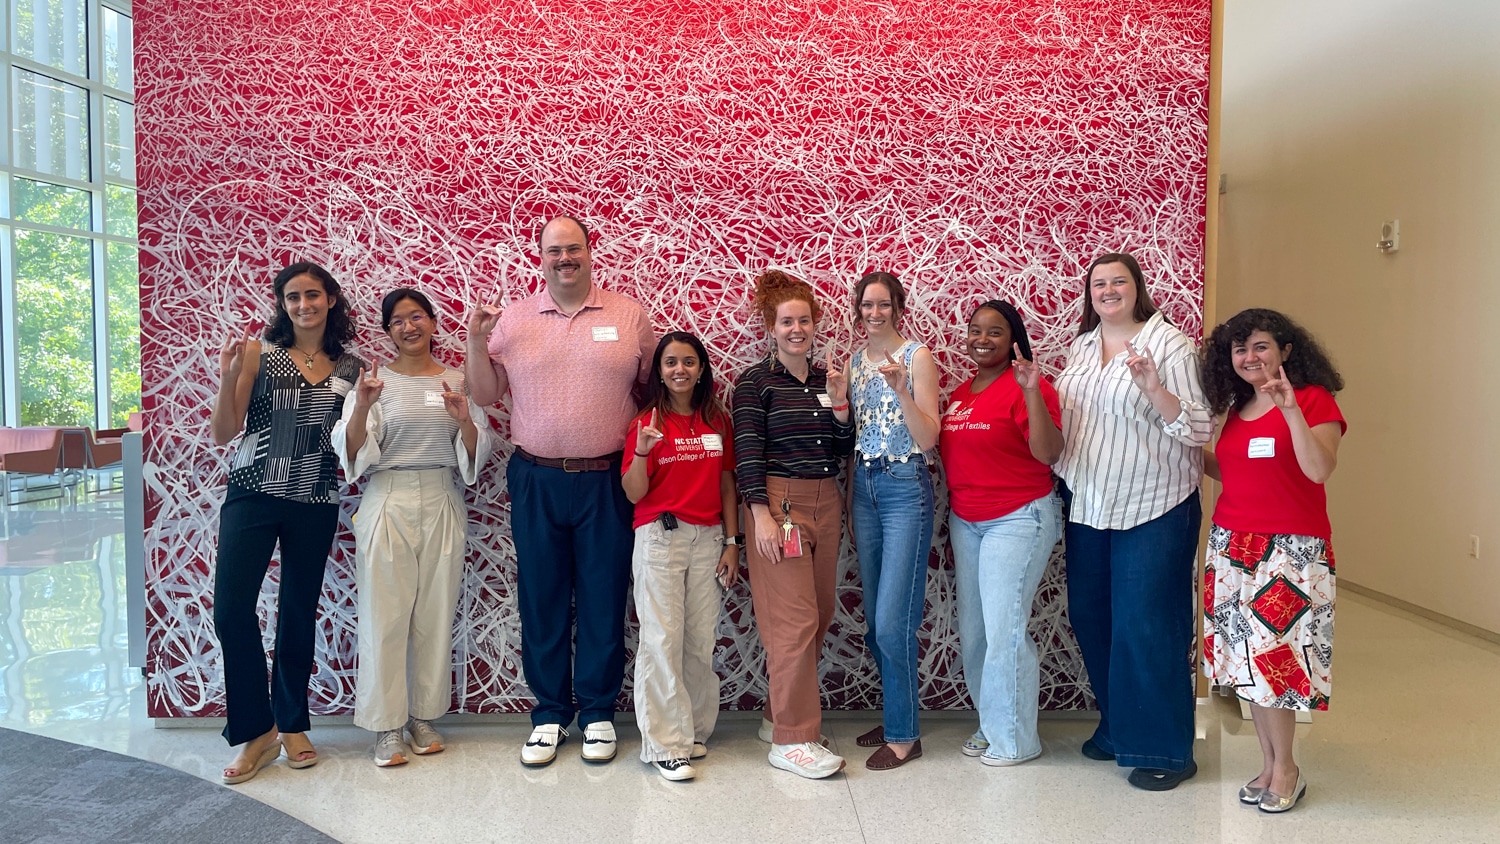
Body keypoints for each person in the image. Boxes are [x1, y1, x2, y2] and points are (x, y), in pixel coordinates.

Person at [465, 215, 655, 767]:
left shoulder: (628, 315)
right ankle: (549, 712)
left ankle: (597, 712)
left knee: (603, 595)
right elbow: (485, 391)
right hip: (536, 477)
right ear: (540, 256)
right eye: (554, 250)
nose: (564, 258)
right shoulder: (515, 320)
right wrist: (476, 342)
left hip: (607, 480)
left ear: (591, 252)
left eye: (573, 248)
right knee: (542, 597)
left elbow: (651, 387)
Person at [1052, 252, 1213, 791]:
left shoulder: (1170, 344)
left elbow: (1197, 429)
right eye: (1099, 283)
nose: (1108, 290)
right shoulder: (1080, 347)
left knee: (1147, 623)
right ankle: (1119, 727)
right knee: (1092, 616)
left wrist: (1152, 387)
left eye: (1118, 281)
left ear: (1137, 287)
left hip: (1155, 503)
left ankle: (1166, 749)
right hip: (1090, 504)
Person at [210, 261, 365, 784]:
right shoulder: (258, 352)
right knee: (232, 611)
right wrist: (231, 375)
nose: (304, 305)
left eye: (313, 295)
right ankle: (258, 731)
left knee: (298, 611)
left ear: (331, 299)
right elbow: (223, 432)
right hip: (252, 494)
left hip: (315, 499)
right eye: (293, 297)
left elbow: (352, 443)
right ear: (283, 303)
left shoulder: (350, 366)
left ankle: (293, 722)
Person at [333, 288, 494, 767]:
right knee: (385, 617)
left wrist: (465, 420)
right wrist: (361, 405)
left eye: (418, 316)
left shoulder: (455, 380)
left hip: (443, 496)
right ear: (388, 331)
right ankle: (386, 727)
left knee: (434, 615)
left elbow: (476, 449)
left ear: (433, 322)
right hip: (388, 497)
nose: (410, 326)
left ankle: (423, 718)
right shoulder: (375, 381)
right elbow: (353, 455)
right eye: (399, 320)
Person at [1201, 308, 1345, 814]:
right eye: (1239, 349)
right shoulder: (1236, 408)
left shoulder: (1312, 400)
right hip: (1232, 546)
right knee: (1245, 660)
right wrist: (1190, 447)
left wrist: (1289, 411)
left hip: (1291, 550)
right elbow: (1233, 470)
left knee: (1277, 662)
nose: (1249, 357)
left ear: (1286, 350)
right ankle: (1267, 763)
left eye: (1260, 346)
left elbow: (1318, 468)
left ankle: (1287, 768)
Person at [732, 269, 854, 780]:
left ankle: (776, 717)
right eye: (787, 321)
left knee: (820, 613)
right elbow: (746, 453)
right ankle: (793, 740)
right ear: (771, 326)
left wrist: (843, 404)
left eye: (804, 319)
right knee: (794, 622)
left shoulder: (827, 378)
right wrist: (758, 513)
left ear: (815, 323)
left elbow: (843, 448)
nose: (796, 328)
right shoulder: (754, 383)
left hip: (828, 500)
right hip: (778, 505)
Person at [939, 300, 1064, 767]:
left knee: (1005, 630)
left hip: (1017, 518)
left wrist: (1032, 391)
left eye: (994, 332)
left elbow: (1049, 453)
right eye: (975, 331)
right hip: (966, 520)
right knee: (975, 632)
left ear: (1013, 339)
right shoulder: (960, 393)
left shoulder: (1030, 384)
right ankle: (991, 722)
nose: (982, 340)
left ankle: (1014, 739)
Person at [621, 332, 741, 782]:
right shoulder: (646, 423)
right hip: (660, 538)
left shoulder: (717, 420)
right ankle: (665, 745)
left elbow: (727, 484)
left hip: (709, 539)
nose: (679, 370)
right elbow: (633, 493)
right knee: (661, 640)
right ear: (659, 371)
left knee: (698, 640)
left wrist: (733, 542)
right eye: (670, 362)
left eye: (689, 362)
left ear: (702, 369)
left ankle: (691, 731)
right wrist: (642, 451)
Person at [843, 272, 940, 770]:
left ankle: (904, 733)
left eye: (884, 304)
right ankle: (895, 712)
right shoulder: (854, 362)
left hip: (905, 487)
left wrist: (903, 391)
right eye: (867, 305)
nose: (874, 313)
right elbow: (849, 425)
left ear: (898, 307)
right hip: (865, 486)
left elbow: (928, 439)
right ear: (857, 309)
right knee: (875, 617)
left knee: (892, 621)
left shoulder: (917, 357)